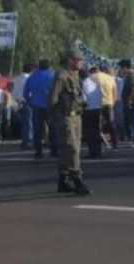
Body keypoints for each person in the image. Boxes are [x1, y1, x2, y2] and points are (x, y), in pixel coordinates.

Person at [49, 51, 91, 195]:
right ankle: (77, 179)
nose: (80, 62)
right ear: (69, 60)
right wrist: (54, 118)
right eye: (78, 60)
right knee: (72, 148)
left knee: (70, 149)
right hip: (65, 117)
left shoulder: (75, 75)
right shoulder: (62, 76)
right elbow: (53, 99)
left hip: (76, 116)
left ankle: (63, 180)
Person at [25, 59, 56, 158]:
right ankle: (54, 151)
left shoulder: (32, 76)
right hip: (50, 106)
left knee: (37, 130)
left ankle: (38, 152)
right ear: (49, 66)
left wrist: (30, 102)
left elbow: (25, 93)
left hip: (36, 106)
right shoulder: (52, 76)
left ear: (39, 66)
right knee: (53, 129)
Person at [91, 64, 119, 150]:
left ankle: (98, 146)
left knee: (96, 125)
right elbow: (115, 93)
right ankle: (115, 144)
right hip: (109, 103)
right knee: (111, 124)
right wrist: (113, 103)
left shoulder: (92, 78)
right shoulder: (110, 78)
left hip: (96, 104)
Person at [81, 66, 105, 158]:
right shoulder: (96, 82)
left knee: (90, 132)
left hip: (89, 109)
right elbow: (101, 95)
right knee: (97, 131)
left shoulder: (85, 82)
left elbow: (84, 98)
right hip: (98, 108)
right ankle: (98, 151)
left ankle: (92, 152)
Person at [12, 63, 35, 149]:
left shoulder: (17, 78)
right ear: (32, 71)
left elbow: (14, 92)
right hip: (28, 101)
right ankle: (28, 141)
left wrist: (17, 100)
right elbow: (30, 92)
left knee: (24, 123)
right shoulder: (30, 79)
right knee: (29, 123)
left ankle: (24, 141)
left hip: (19, 102)